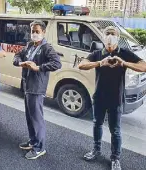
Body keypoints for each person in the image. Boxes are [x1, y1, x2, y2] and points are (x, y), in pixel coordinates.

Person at [78, 26, 146, 170]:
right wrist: (99, 63)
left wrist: (124, 63)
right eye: (107, 34)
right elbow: (81, 65)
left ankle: (115, 158)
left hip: (116, 98)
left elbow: (144, 66)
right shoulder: (97, 53)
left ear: (118, 37)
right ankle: (96, 150)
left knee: (115, 130)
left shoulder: (125, 53)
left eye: (113, 34)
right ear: (102, 37)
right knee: (97, 124)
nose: (110, 36)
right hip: (99, 97)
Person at [13, 20, 62, 160]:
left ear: (43, 32)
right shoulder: (29, 45)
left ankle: (39, 147)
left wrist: (38, 68)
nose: (34, 34)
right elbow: (17, 56)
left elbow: (57, 63)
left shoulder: (47, 48)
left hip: (37, 87)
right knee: (29, 117)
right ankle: (33, 140)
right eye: (32, 31)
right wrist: (21, 63)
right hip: (27, 85)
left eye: (37, 31)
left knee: (36, 118)